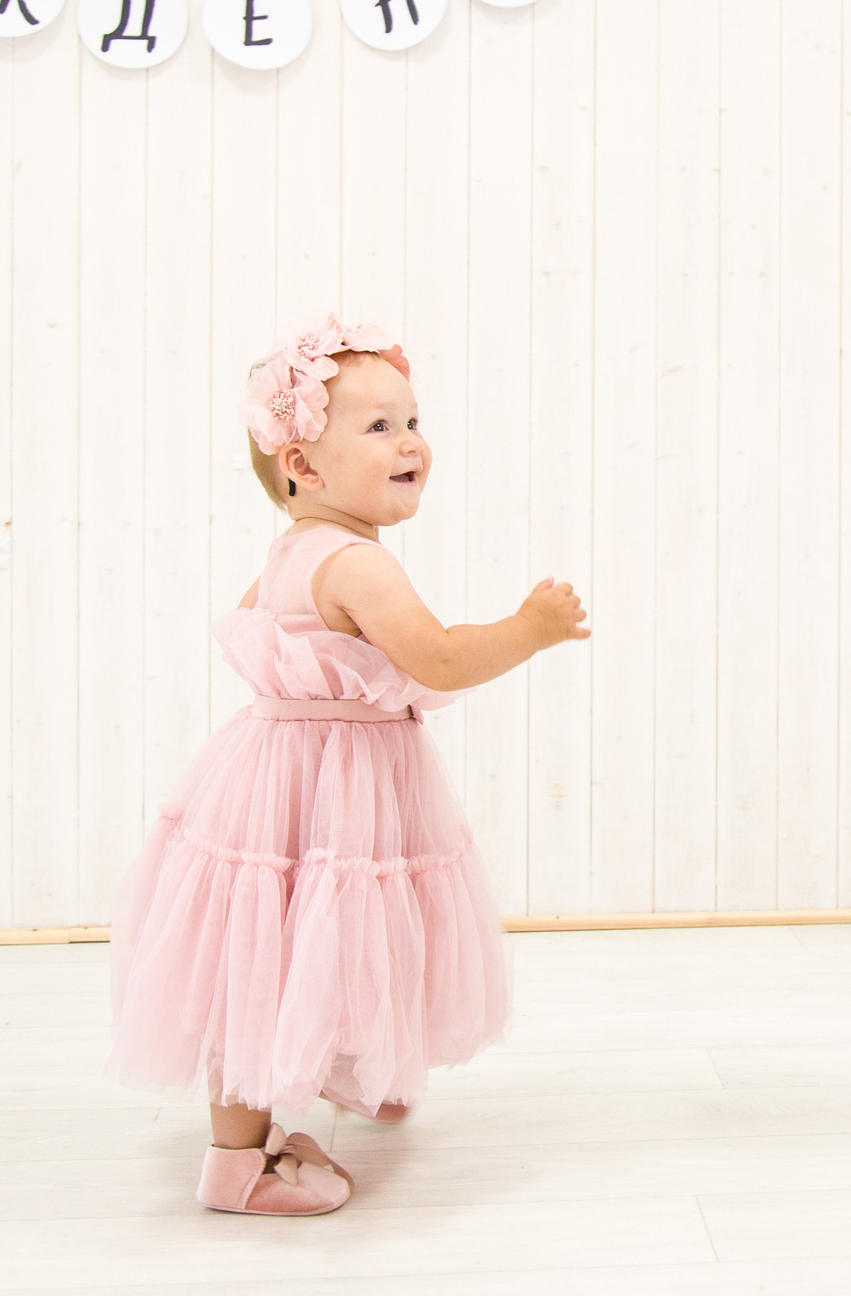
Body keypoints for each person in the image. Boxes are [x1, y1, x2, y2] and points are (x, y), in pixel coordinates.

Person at [108, 314, 590, 1216]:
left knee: (281, 943)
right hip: (333, 780)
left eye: (413, 421)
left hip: (281, 773)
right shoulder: (358, 566)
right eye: (379, 427)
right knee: (294, 944)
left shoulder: (290, 552)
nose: (411, 441)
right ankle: (236, 1168)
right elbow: (439, 657)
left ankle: (349, 1062)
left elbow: (265, 641)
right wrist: (530, 630)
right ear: (303, 465)